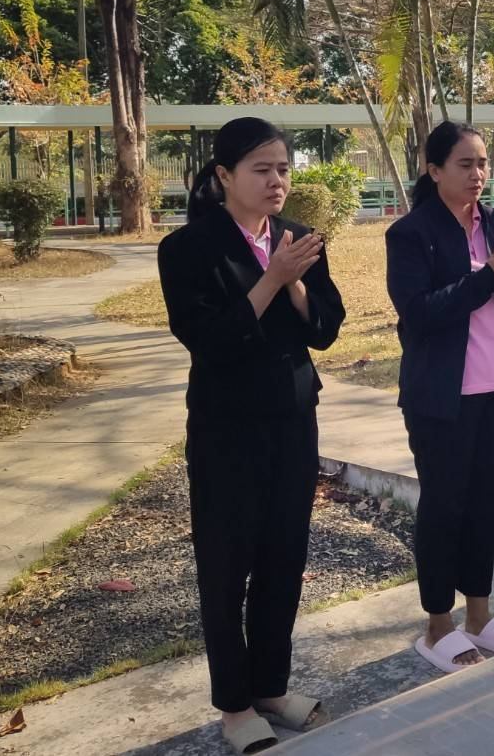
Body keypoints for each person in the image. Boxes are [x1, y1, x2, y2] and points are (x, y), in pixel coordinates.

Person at [157, 117, 345, 755]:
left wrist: (293, 278)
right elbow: (209, 342)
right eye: (261, 169)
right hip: (227, 429)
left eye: (283, 169)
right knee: (226, 565)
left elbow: (326, 328)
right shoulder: (187, 249)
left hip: (293, 421)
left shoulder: (299, 239)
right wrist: (270, 278)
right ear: (224, 175)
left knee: (284, 558)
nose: (276, 181)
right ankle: (235, 706)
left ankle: (270, 686)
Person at [384, 121, 494, 674]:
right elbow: (420, 313)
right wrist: (487, 278)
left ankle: (479, 614)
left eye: (483, 163)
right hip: (441, 397)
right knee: (443, 508)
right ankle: (437, 625)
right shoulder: (411, 233)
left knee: (484, 504)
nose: (478, 174)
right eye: (465, 164)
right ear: (434, 170)